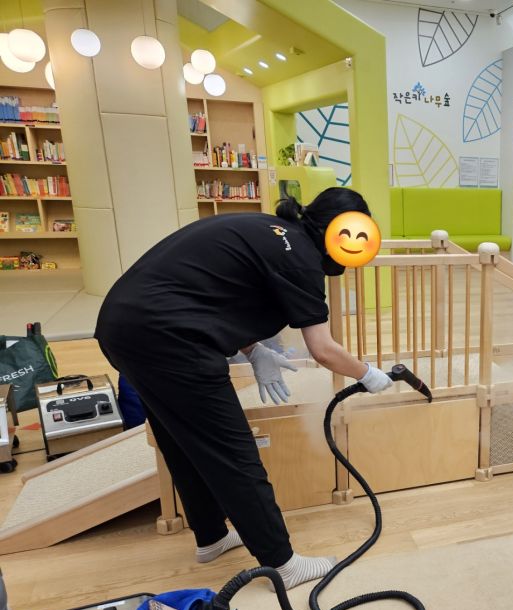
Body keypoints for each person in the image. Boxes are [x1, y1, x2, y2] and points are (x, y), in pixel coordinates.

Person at [95, 188, 392, 589]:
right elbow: (323, 349)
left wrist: (254, 350)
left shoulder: (272, 230)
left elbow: (219, 297)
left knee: (182, 441)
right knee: (233, 453)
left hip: (124, 324)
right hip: (168, 337)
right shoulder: (300, 258)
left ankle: (211, 537)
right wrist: (368, 374)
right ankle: (283, 565)